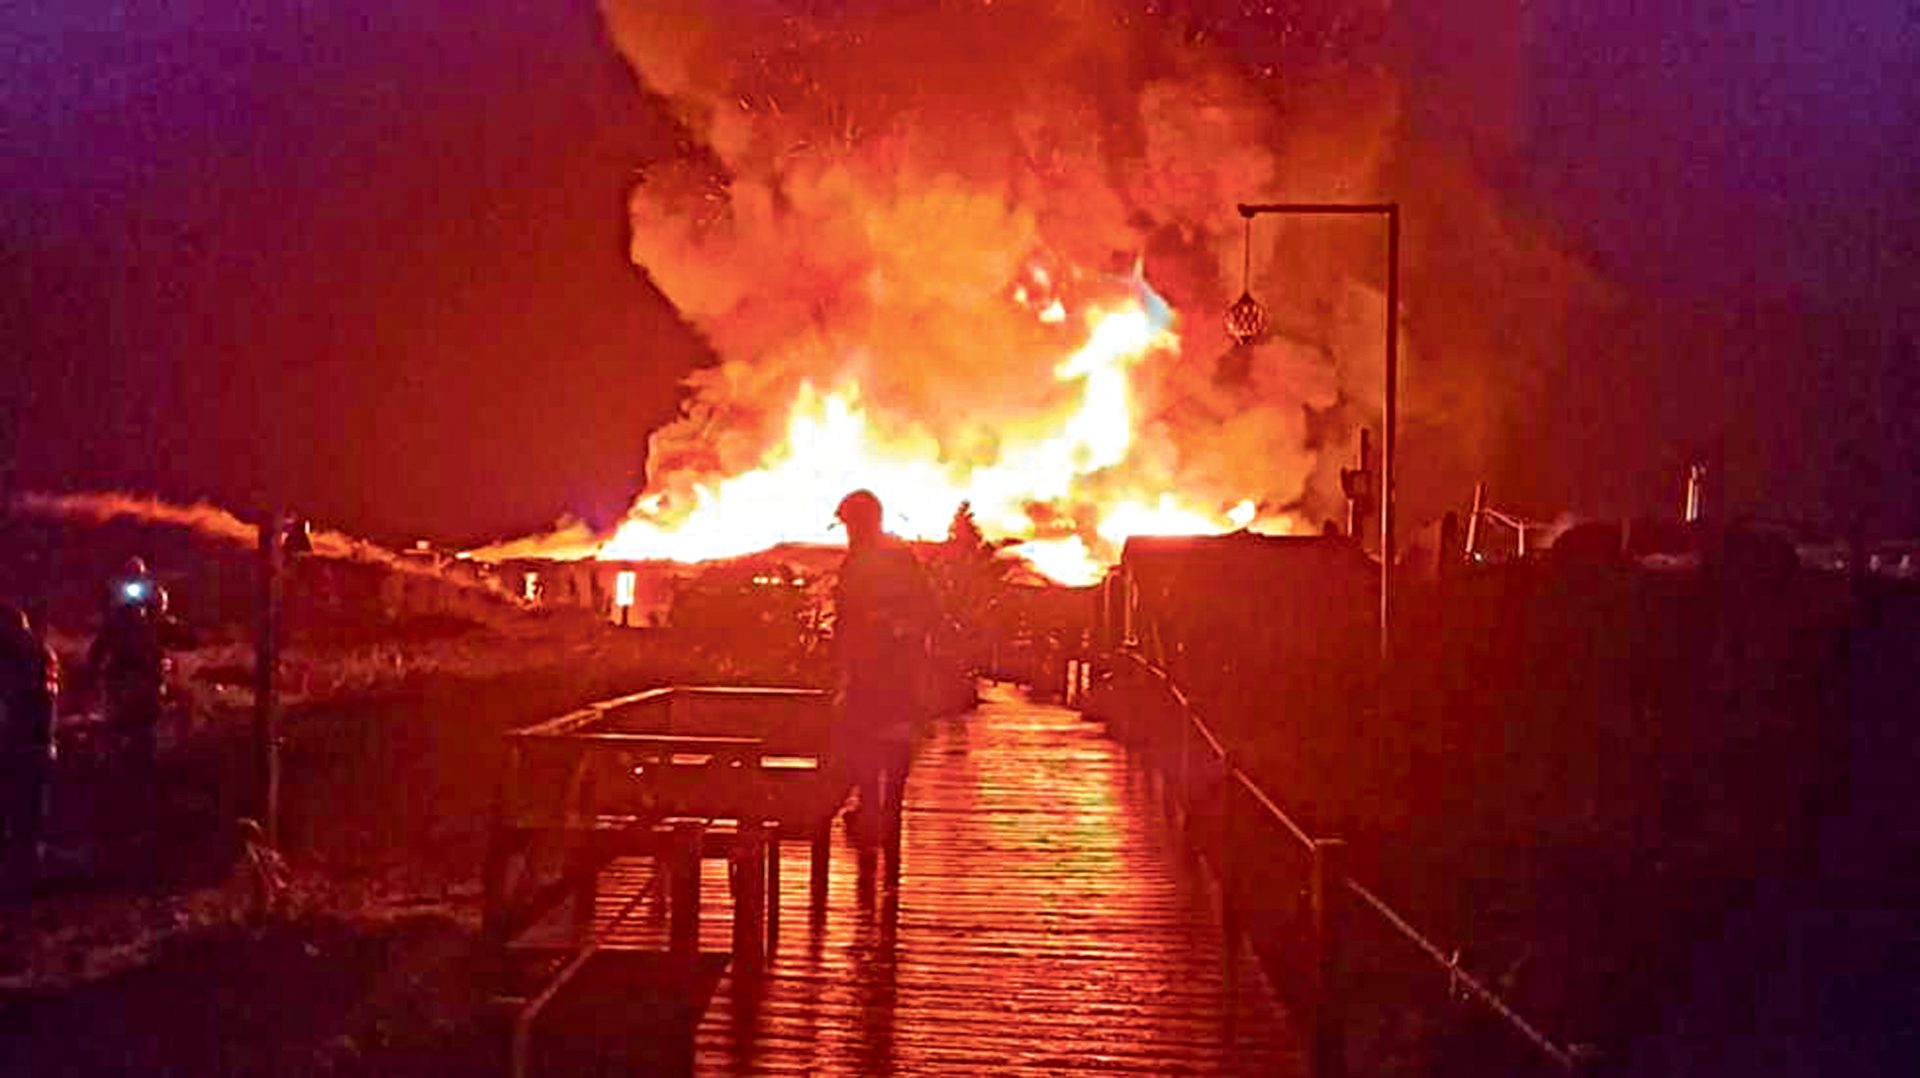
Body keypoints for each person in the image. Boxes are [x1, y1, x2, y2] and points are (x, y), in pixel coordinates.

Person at [831, 490, 938, 853]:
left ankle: (875, 814)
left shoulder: (869, 561)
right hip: (896, 675)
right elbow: (927, 610)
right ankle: (880, 815)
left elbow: (847, 620)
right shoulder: (900, 558)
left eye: (849, 524)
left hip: (877, 674)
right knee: (889, 749)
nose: (847, 532)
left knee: (868, 745)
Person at [0, 604, 58, 895]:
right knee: (30, 818)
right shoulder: (42, 653)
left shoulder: (11, 656)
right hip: (38, 746)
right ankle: (28, 877)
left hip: (13, 747)